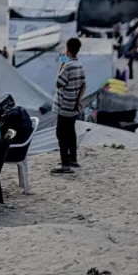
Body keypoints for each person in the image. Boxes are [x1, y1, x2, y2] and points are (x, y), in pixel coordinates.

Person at [52, 38, 86, 174]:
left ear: (68, 49)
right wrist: (78, 101)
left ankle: (65, 165)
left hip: (64, 106)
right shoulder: (80, 65)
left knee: (61, 134)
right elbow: (84, 85)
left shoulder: (68, 65)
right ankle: (73, 158)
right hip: (73, 106)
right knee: (71, 132)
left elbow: (58, 83)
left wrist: (60, 68)